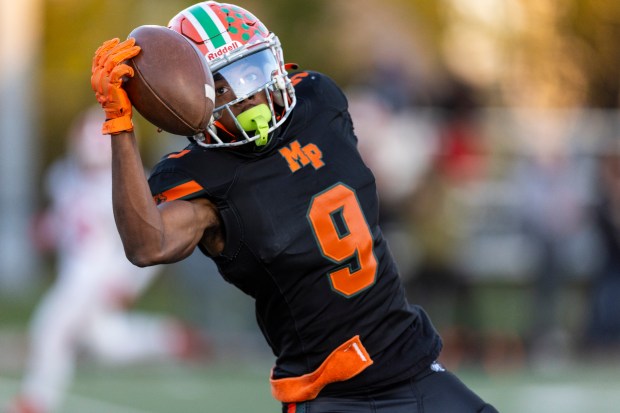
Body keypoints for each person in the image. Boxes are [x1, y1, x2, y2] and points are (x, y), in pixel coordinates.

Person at [89, 2, 498, 412]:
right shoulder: (203, 177)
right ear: (187, 97)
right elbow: (147, 246)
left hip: (412, 364)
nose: (252, 93)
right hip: (329, 395)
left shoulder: (318, 100)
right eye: (229, 82)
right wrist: (120, 127)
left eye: (254, 68)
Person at [7, 107, 203, 413]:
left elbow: (153, 237)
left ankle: (37, 399)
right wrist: (46, 230)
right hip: (73, 274)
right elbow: (67, 222)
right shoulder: (64, 176)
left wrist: (127, 279)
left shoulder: (130, 185)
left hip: (99, 276)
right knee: (103, 341)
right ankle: (167, 339)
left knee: (50, 327)